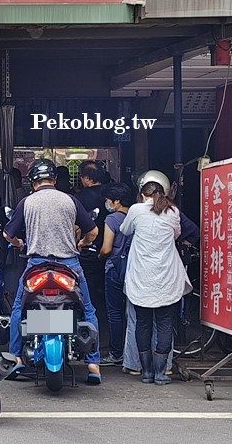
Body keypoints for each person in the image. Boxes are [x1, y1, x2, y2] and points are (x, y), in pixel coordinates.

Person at [3, 158, 102, 384]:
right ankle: (94, 364)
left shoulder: (26, 203)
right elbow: (93, 232)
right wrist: (82, 243)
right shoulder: (70, 201)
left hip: (36, 264)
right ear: (54, 180)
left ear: (32, 181)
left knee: (19, 308)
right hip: (69, 265)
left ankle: (17, 359)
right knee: (88, 310)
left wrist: (20, 244)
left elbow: (7, 235)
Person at [120, 180, 192, 385]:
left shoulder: (135, 210)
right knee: (165, 323)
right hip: (167, 277)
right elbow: (176, 234)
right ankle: (161, 373)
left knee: (142, 323)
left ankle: (147, 372)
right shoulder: (173, 211)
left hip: (142, 277)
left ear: (143, 195)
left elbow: (125, 230)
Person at [98, 182, 136, 366]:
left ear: (117, 201)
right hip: (135, 269)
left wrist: (98, 255)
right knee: (135, 313)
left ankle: (116, 353)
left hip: (114, 268)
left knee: (114, 312)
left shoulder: (112, 220)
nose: (107, 204)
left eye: (107, 200)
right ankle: (133, 355)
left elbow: (106, 248)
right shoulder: (138, 217)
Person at [76, 164, 107, 331]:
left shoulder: (80, 198)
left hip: (88, 250)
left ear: (87, 178)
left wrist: (80, 243)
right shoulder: (109, 195)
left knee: (87, 290)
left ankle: (88, 329)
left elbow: (77, 226)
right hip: (110, 249)